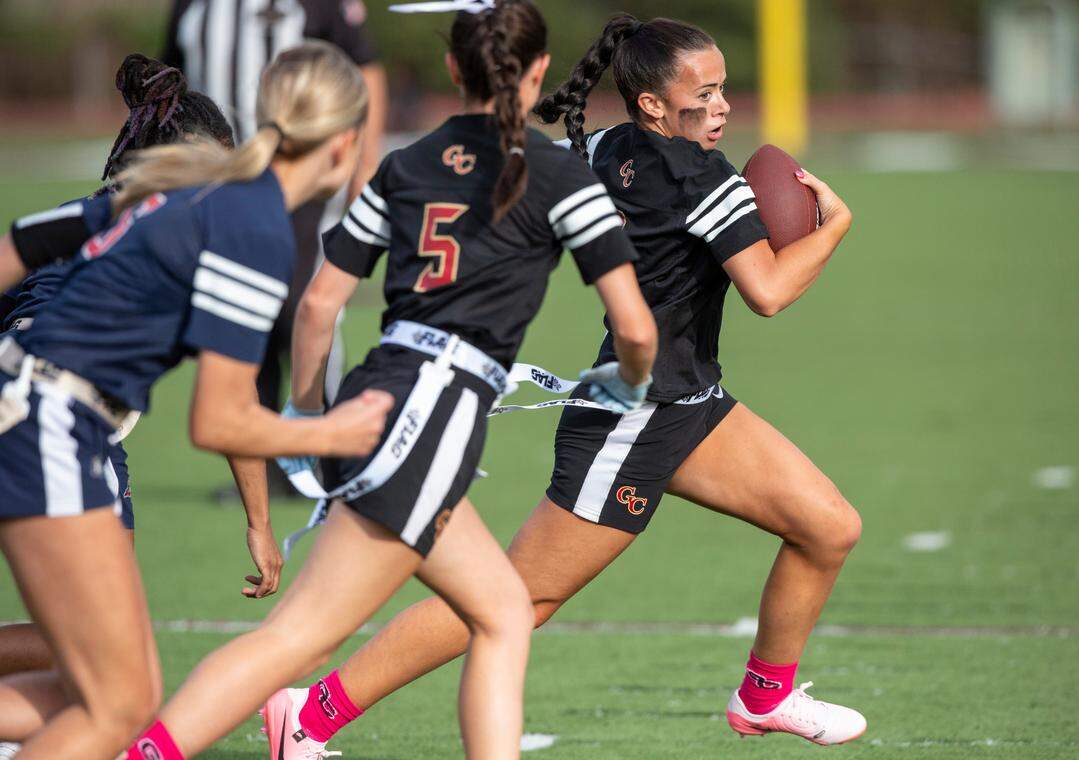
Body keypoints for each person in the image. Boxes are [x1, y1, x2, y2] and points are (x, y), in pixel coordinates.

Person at [275, 11, 869, 752]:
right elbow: (770, 291)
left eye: (724, 90)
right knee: (520, 598)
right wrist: (834, 228)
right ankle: (309, 714)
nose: (721, 107)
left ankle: (764, 696)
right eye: (705, 93)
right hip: (634, 418)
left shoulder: (609, 146)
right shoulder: (698, 174)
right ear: (654, 103)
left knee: (827, 526)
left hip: (687, 404)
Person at [125, 3, 656, 758]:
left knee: (503, 610)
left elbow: (318, 306)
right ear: (538, 72)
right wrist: (629, 382)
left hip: (381, 395)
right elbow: (635, 330)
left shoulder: (404, 164)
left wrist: (309, 423)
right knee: (297, 640)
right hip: (427, 419)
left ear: (450, 70)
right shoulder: (560, 172)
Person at [0, 41, 389, 760]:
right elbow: (217, 417)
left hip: (45, 413)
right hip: (49, 418)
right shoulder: (256, 229)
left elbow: (17, 245)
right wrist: (332, 434)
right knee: (112, 707)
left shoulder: (191, 198)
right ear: (341, 146)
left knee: (117, 698)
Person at [162, 0, 390, 492]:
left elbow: (365, 68)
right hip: (222, 181)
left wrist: (364, 162)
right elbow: (169, 82)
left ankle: (323, 448)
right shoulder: (192, 6)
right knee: (248, 318)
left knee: (302, 306)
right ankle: (266, 456)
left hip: (302, 179)